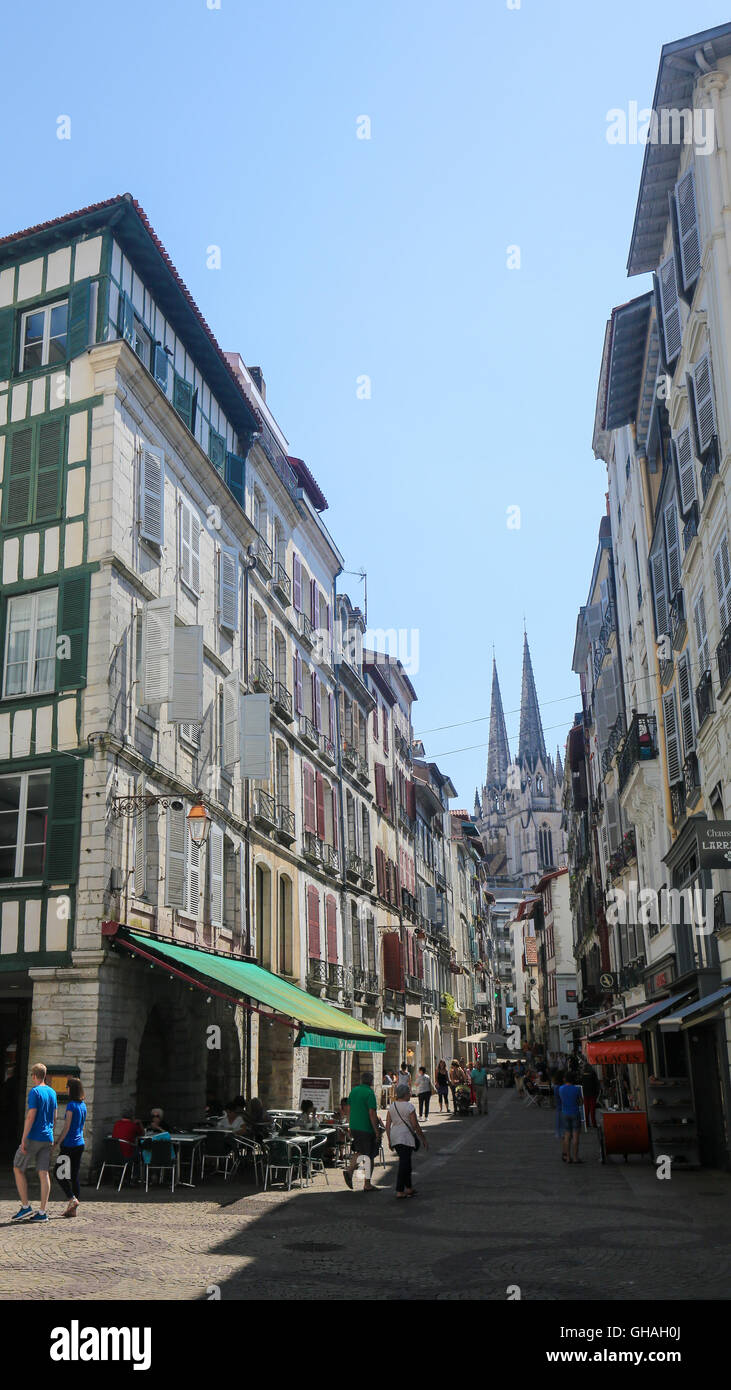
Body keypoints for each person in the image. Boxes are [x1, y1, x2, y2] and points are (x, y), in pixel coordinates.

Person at [12, 1062, 57, 1223]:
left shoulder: (35, 1092)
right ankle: (42, 1212)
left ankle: (25, 1207)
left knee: (18, 1168)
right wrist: (51, 1133)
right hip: (48, 1137)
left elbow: (31, 1116)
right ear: (44, 1075)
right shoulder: (52, 1092)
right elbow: (55, 1116)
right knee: (44, 1173)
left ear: (34, 1076)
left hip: (34, 1136)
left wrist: (23, 1139)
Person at [385, 1083, 428, 1198]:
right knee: (404, 1163)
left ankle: (409, 1188)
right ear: (404, 1094)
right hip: (405, 1137)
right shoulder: (409, 1107)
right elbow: (415, 1125)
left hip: (395, 1136)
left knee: (407, 1162)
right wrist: (423, 1139)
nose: (410, 1094)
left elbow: (388, 1124)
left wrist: (389, 1140)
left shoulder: (392, 1106)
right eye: (409, 1092)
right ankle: (399, 1190)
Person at [54, 1078, 87, 1217]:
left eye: (67, 1087)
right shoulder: (83, 1105)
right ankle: (73, 1209)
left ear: (71, 1089)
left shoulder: (71, 1105)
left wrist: (57, 1142)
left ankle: (72, 1198)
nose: (66, 1089)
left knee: (57, 1173)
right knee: (74, 1175)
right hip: (80, 1144)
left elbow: (66, 1127)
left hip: (69, 1145)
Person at [344, 1070, 381, 1191]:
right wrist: (376, 1131)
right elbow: (372, 1113)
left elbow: (348, 1110)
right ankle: (367, 1184)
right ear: (371, 1081)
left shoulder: (354, 1091)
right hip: (366, 1128)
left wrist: (350, 1125)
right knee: (369, 1156)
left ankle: (349, 1172)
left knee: (360, 1151)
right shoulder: (369, 1093)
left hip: (355, 1126)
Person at [559, 1072, 583, 1164]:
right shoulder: (576, 1089)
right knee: (576, 1136)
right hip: (575, 1113)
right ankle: (576, 1157)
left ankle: (568, 1157)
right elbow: (581, 1102)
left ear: (565, 1079)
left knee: (567, 1135)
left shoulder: (561, 1089)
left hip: (565, 1113)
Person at [580, 1063, 599, 1128]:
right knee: (592, 1110)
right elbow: (596, 1083)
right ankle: (594, 1123)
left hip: (585, 1094)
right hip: (593, 1094)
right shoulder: (593, 1074)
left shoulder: (582, 1075)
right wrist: (597, 1093)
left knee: (586, 1110)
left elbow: (581, 1084)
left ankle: (587, 1123)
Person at [553, 1070, 566, 1159]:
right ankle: (566, 1153)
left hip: (559, 1111)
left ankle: (565, 1152)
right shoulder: (562, 1088)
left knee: (563, 1135)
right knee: (567, 1134)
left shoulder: (556, 1087)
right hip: (564, 1111)